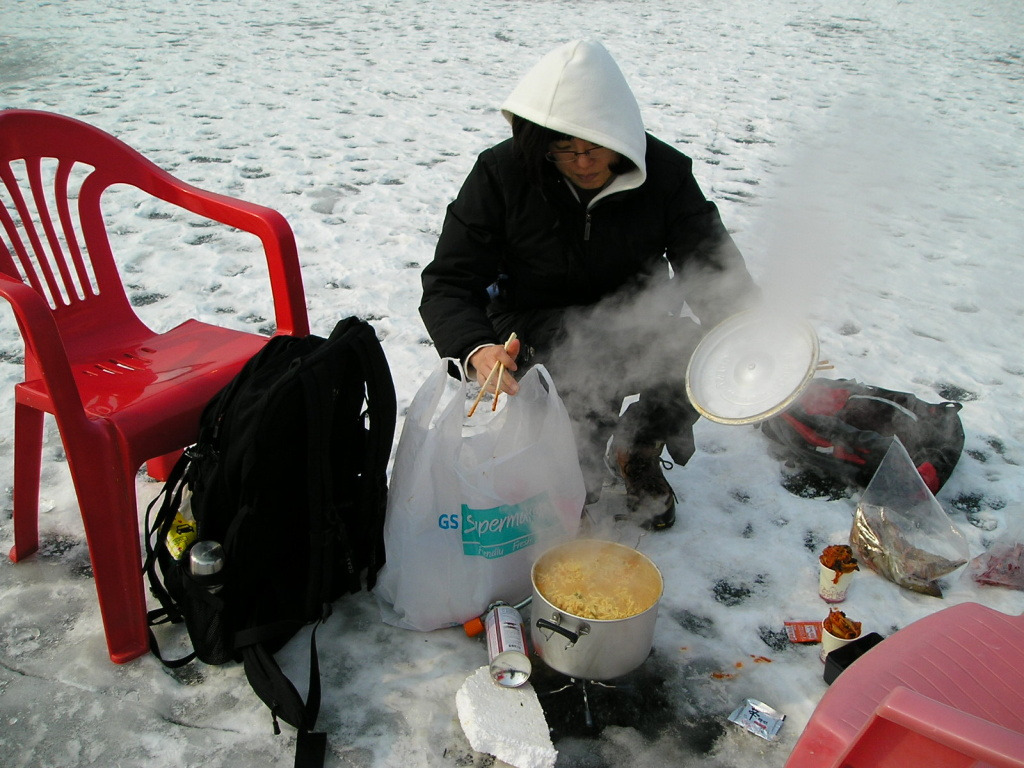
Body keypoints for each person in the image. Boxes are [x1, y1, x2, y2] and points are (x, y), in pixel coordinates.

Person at [419, 40, 758, 530]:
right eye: (564, 149)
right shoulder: (502, 174)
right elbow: (449, 280)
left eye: (596, 146)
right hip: (530, 324)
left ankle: (636, 447)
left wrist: (748, 333)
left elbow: (710, 266)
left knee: (701, 352)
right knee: (580, 362)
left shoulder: (665, 175)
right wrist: (475, 347)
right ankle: (567, 472)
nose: (582, 163)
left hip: (633, 318)